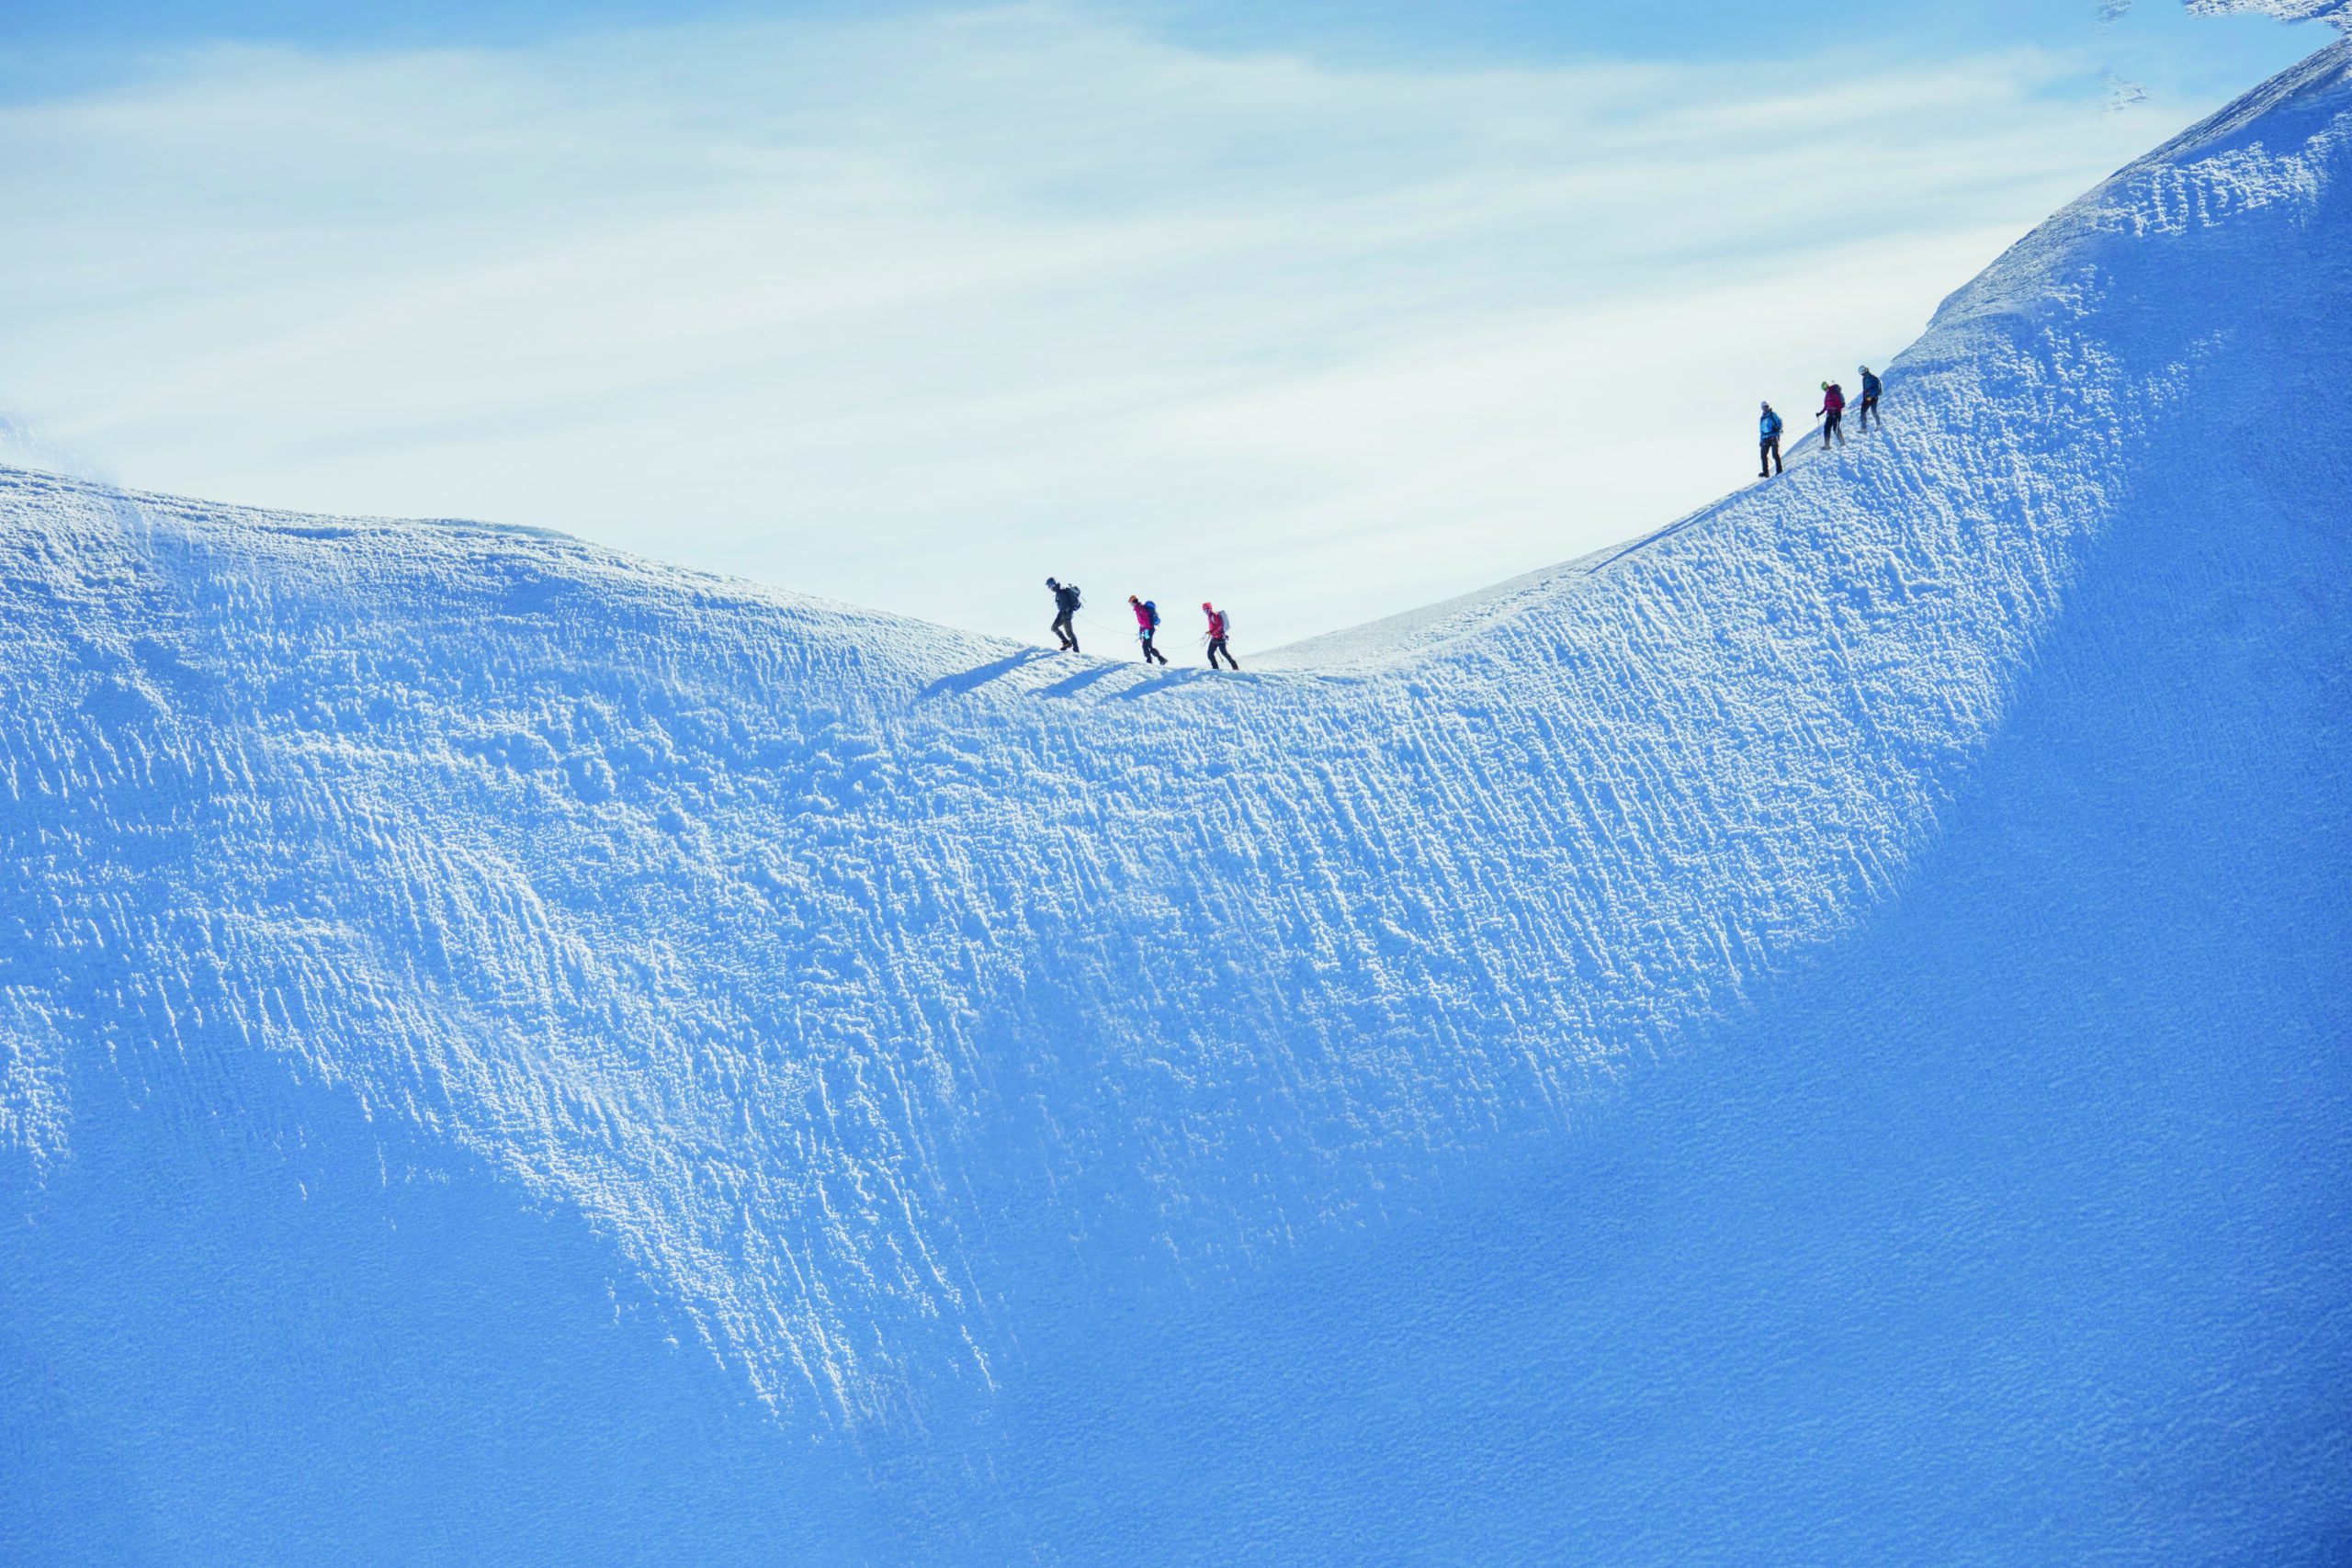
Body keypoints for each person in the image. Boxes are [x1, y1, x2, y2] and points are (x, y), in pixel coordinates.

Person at [1129, 594, 1169, 665]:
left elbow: (1146, 621)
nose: (1130, 604)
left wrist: (1146, 632)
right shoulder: (1138, 610)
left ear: (1134, 602)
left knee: (1145, 646)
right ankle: (1161, 659)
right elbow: (1142, 623)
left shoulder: (1141, 609)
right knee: (1149, 646)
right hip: (1146, 629)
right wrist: (1141, 632)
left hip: (1149, 629)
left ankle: (1149, 661)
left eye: (1131, 603)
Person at [1046, 577, 1081, 652]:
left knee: (1068, 632)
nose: (1049, 588)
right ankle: (1066, 643)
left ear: (1052, 584)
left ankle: (1075, 649)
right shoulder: (1059, 591)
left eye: (1049, 586)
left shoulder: (1060, 593)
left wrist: (1058, 618)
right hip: (1067, 614)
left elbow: (1063, 607)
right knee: (1054, 627)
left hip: (1066, 614)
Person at [1203, 602, 1239, 670]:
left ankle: (1235, 666)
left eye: (1207, 610)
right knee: (1210, 654)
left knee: (1224, 653)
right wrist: (1210, 632)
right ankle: (1215, 668)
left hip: (1220, 638)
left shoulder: (1215, 615)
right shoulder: (1210, 616)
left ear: (1210, 609)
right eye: (1204, 610)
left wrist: (1211, 632)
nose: (1206, 612)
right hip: (1214, 638)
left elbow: (1220, 626)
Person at [1758, 400, 1784, 478]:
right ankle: (1765, 472)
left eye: (1766, 406)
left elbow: (1779, 422)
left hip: (1774, 436)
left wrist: (1779, 430)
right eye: (1763, 407)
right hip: (1765, 437)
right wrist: (1760, 440)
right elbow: (1761, 430)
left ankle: (1779, 470)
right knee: (1763, 454)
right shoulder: (1762, 417)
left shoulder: (1773, 415)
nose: (1765, 408)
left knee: (1775, 453)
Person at [1817, 380, 1846, 448]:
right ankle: (1827, 445)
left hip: (1836, 414)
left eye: (1825, 388)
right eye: (1823, 389)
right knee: (1826, 428)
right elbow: (1826, 406)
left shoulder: (1834, 393)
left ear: (1828, 386)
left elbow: (1839, 405)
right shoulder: (1827, 395)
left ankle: (1842, 443)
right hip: (1830, 414)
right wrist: (1820, 413)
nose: (1825, 390)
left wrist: (1838, 413)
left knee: (1835, 428)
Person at [1856, 365, 1882, 432]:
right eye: (1861, 374)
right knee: (1863, 411)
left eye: (1863, 373)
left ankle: (1878, 425)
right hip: (1867, 398)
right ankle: (1864, 428)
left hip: (1873, 397)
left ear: (1866, 371)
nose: (1862, 375)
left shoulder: (1873, 378)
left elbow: (1876, 388)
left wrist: (1870, 394)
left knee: (1874, 411)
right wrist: (1865, 396)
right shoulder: (1864, 378)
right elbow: (1865, 389)